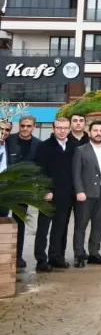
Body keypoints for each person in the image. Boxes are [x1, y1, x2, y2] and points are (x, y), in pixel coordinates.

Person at [72, 121, 101, 268]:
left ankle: (94, 253)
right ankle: (79, 255)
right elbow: (76, 173)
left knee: (98, 226)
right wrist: (79, 191)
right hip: (85, 195)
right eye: (95, 130)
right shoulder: (81, 150)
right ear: (90, 132)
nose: (98, 133)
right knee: (81, 226)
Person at [33, 117, 75, 271]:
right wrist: (45, 191)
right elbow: (39, 171)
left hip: (65, 195)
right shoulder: (44, 146)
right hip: (48, 196)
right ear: (53, 129)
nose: (62, 131)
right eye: (59, 128)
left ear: (69, 129)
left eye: (65, 128)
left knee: (59, 229)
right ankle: (41, 260)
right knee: (43, 230)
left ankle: (55, 258)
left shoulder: (73, 147)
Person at [5, 114, 40, 270]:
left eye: (28, 126)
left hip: (24, 189)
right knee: (2, 220)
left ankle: (17, 256)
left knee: (19, 222)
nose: (25, 128)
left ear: (34, 127)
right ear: (19, 125)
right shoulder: (8, 140)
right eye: (23, 125)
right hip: (5, 187)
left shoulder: (38, 144)